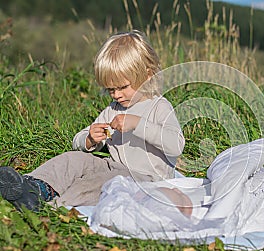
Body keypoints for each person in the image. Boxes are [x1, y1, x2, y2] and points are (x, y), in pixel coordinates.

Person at [0, 30, 185, 211]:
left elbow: (176, 145)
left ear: (147, 75)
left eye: (122, 87)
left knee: (96, 184)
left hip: (147, 179)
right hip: (112, 167)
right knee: (72, 160)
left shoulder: (159, 107)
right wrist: (90, 139)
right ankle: (32, 187)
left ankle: (54, 206)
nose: (117, 95)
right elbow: (78, 141)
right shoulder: (113, 110)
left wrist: (138, 124)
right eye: (111, 90)